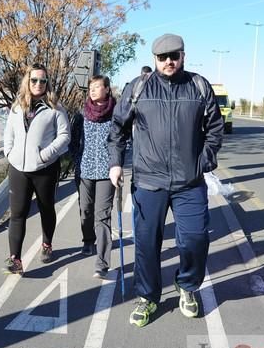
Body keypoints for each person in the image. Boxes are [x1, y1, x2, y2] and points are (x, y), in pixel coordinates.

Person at [108, 33, 224, 327]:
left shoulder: (198, 86)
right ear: (154, 60)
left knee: (196, 238)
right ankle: (147, 297)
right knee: (147, 245)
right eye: (163, 57)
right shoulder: (139, 87)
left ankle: (187, 286)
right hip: (149, 182)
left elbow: (215, 128)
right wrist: (116, 164)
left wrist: (204, 161)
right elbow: (118, 128)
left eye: (175, 56)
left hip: (189, 183)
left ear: (184, 55)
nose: (169, 61)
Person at [3, 63, 70, 275]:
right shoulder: (17, 107)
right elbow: (9, 134)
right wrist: (9, 153)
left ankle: (47, 244)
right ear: (27, 81)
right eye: (34, 80)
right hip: (18, 169)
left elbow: (65, 136)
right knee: (17, 213)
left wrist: (45, 155)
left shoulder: (55, 108)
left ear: (47, 83)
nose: (38, 84)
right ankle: (15, 259)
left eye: (42, 80)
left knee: (46, 208)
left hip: (45, 169)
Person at [69, 75, 117, 279]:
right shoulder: (81, 114)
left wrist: (117, 162)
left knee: (102, 215)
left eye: (98, 87)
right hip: (85, 171)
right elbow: (72, 139)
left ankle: (102, 263)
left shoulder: (116, 114)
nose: (93, 90)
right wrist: (76, 159)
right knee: (85, 211)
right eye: (91, 88)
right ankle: (88, 240)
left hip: (107, 172)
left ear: (107, 89)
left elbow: (123, 139)